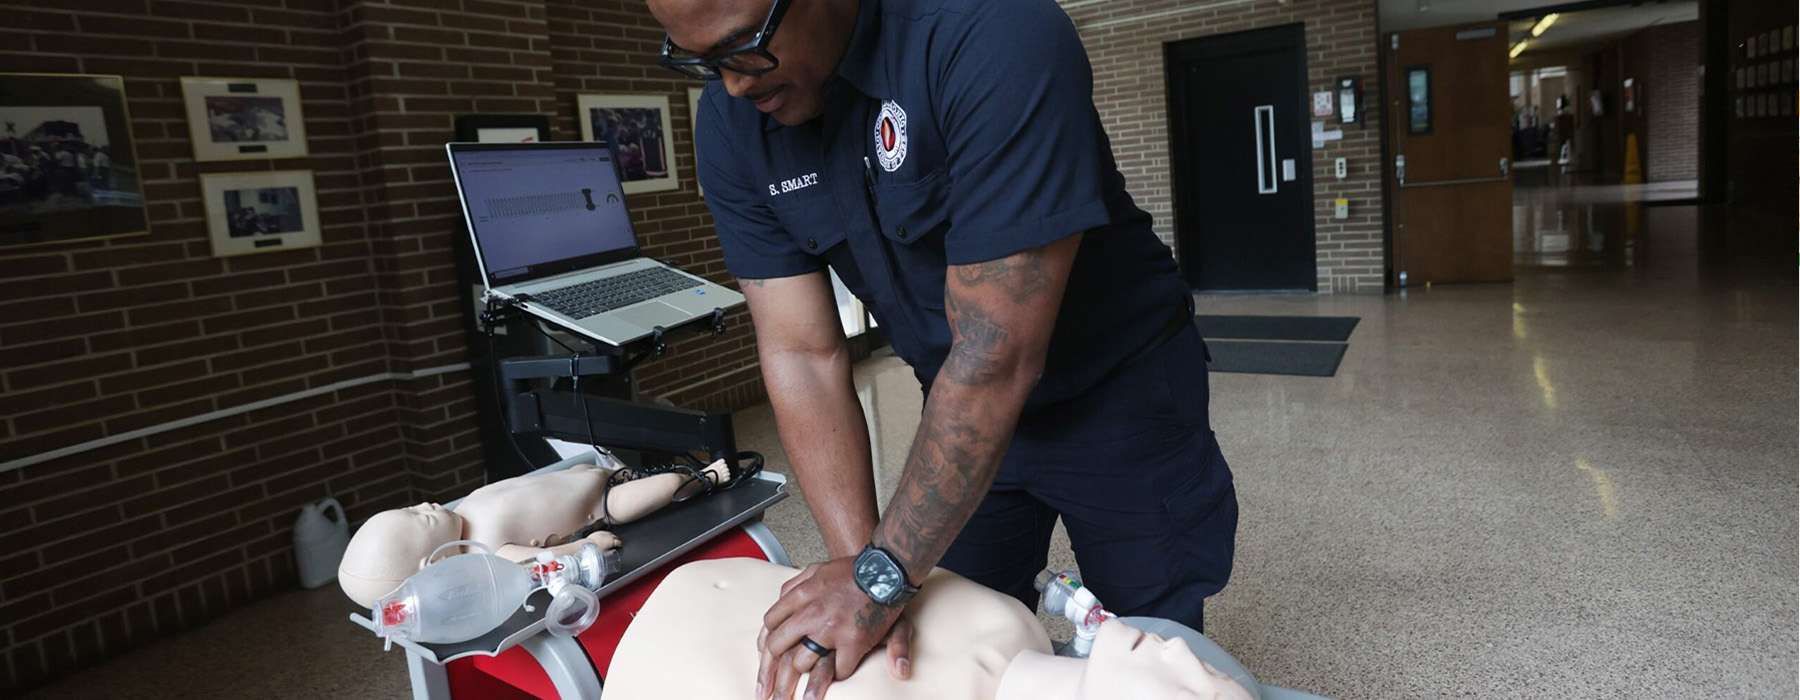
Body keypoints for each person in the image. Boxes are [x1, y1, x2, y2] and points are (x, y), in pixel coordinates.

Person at [644, 0, 1238, 697]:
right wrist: (865, 573)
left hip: (1116, 390)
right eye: (702, 61)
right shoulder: (732, 122)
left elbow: (995, 355)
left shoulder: (992, 31)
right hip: (955, 404)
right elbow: (803, 354)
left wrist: (879, 578)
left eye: (746, 46)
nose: (735, 83)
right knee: (949, 639)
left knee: (1146, 645)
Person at [601, 558, 1253, 700]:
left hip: (652, 660)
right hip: (699, 581)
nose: (1182, 652)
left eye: (1199, 690)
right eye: (1213, 666)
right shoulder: (1012, 621)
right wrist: (874, 580)